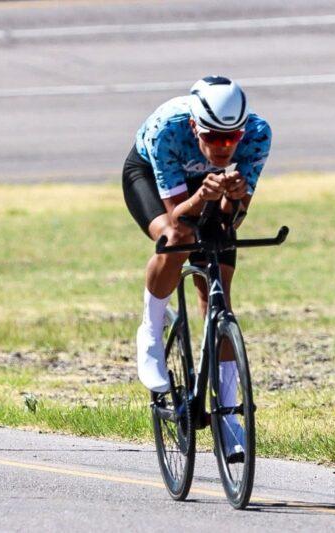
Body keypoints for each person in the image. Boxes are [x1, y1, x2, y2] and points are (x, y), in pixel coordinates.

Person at [122, 76, 271, 460]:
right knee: (176, 241)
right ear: (194, 127)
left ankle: (227, 415)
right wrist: (203, 195)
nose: (224, 147)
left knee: (219, 285)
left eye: (231, 138)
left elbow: (230, 221)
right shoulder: (168, 131)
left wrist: (231, 199)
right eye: (213, 137)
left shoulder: (257, 134)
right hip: (154, 181)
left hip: (209, 190)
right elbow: (178, 219)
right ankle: (151, 330)